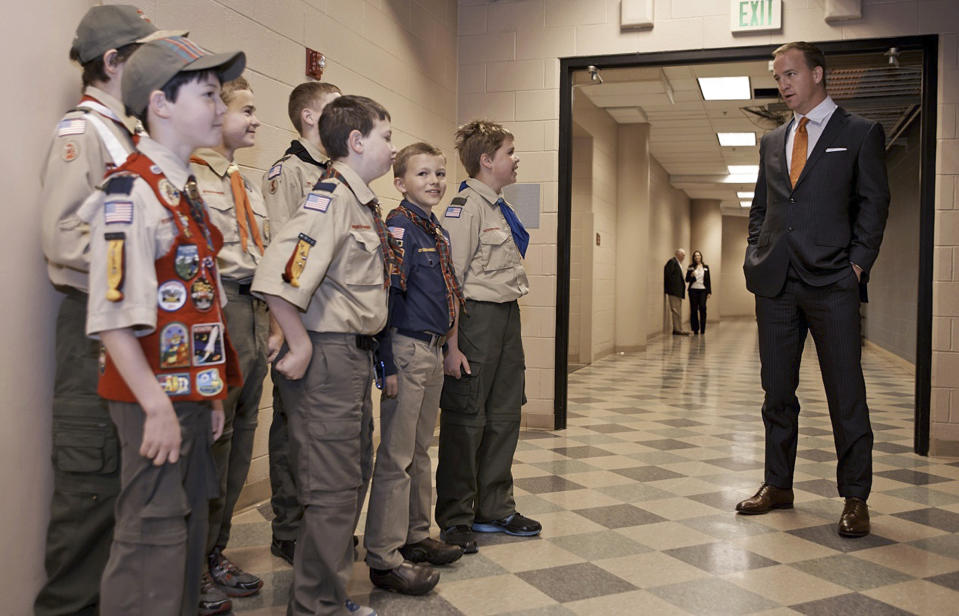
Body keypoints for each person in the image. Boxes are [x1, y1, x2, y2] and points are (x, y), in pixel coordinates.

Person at [78, 35, 246, 614]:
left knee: (187, 533)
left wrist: (214, 389)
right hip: (153, 398)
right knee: (152, 541)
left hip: (190, 396)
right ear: (160, 103)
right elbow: (112, 317)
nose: (221, 109)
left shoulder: (181, 185)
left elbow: (198, 298)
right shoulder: (131, 190)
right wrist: (154, 405)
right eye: (208, 94)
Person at [34, 7, 171, 615]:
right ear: (112, 62)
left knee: (126, 502)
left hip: (135, 330)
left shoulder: (132, 134)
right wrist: (148, 259)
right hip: (95, 330)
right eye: (141, 56)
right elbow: (65, 238)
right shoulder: (83, 133)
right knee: (89, 503)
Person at [738, 41, 889, 538]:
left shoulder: (861, 133)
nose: (782, 83)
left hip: (833, 284)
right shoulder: (773, 140)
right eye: (777, 76)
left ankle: (855, 497)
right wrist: (753, 254)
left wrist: (858, 267)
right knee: (777, 392)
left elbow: (873, 204)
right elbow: (763, 207)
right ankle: (778, 484)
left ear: (818, 74)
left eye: (790, 73)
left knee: (845, 393)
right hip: (776, 284)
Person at [251, 94, 394, 616]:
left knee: (347, 480)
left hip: (352, 358)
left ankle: (326, 597)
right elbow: (278, 276)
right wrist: (300, 339)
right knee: (332, 490)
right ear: (356, 143)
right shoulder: (330, 198)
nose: (393, 148)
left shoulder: (357, 200)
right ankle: (317, 606)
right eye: (386, 136)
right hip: (328, 359)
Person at [364, 143, 465, 595]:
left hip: (432, 350)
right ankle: (384, 556)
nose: (435, 182)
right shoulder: (400, 227)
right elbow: (389, 298)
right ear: (400, 183)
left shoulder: (435, 228)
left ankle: (417, 535)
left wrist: (448, 346)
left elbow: (448, 293)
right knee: (397, 456)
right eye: (423, 174)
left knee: (421, 450)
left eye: (440, 174)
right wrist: (385, 362)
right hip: (405, 352)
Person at [436, 120, 541, 554]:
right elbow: (451, 281)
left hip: (505, 320)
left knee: (504, 416)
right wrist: (452, 344)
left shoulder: (499, 206)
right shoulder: (465, 208)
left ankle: (495, 507)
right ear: (487, 160)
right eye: (510, 152)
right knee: (466, 420)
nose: (516, 160)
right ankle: (457, 517)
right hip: (474, 321)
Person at [190, 76, 274, 606]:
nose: (256, 120)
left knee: (243, 435)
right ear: (215, 113)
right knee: (211, 443)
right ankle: (193, 563)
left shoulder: (245, 179)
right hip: (219, 312)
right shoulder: (191, 179)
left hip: (255, 311)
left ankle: (216, 551)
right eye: (246, 109)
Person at [260, 80, 341, 565]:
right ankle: (289, 527)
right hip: (297, 321)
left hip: (331, 319)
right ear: (310, 117)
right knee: (292, 428)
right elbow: (280, 252)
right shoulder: (286, 173)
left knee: (323, 435)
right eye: (334, 108)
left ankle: (318, 524)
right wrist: (280, 326)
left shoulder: (335, 173)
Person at [685, 250, 711, 334]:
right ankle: (695, 329)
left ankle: (703, 328)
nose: (697, 257)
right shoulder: (691, 267)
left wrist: (709, 291)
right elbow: (687, 279)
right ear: (693, 257)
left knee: (703, 308)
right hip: (693, 290)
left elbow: (708, 280)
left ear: (701, 256)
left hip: (703, 290)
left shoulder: (706, 267)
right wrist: (691, 275)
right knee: (694, 309)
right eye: (695, 256)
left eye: (698, 255)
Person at [664, 249, 689, 335]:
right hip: (674, 291)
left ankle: (679, 328)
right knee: (676, 311)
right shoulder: (672, 262)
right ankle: (677, 330)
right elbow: (668, 276)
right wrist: (670, 289)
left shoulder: (678, 263)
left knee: (678, 311)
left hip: (677, 292)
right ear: (678, 254)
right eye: (683, 255)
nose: (684, 257)